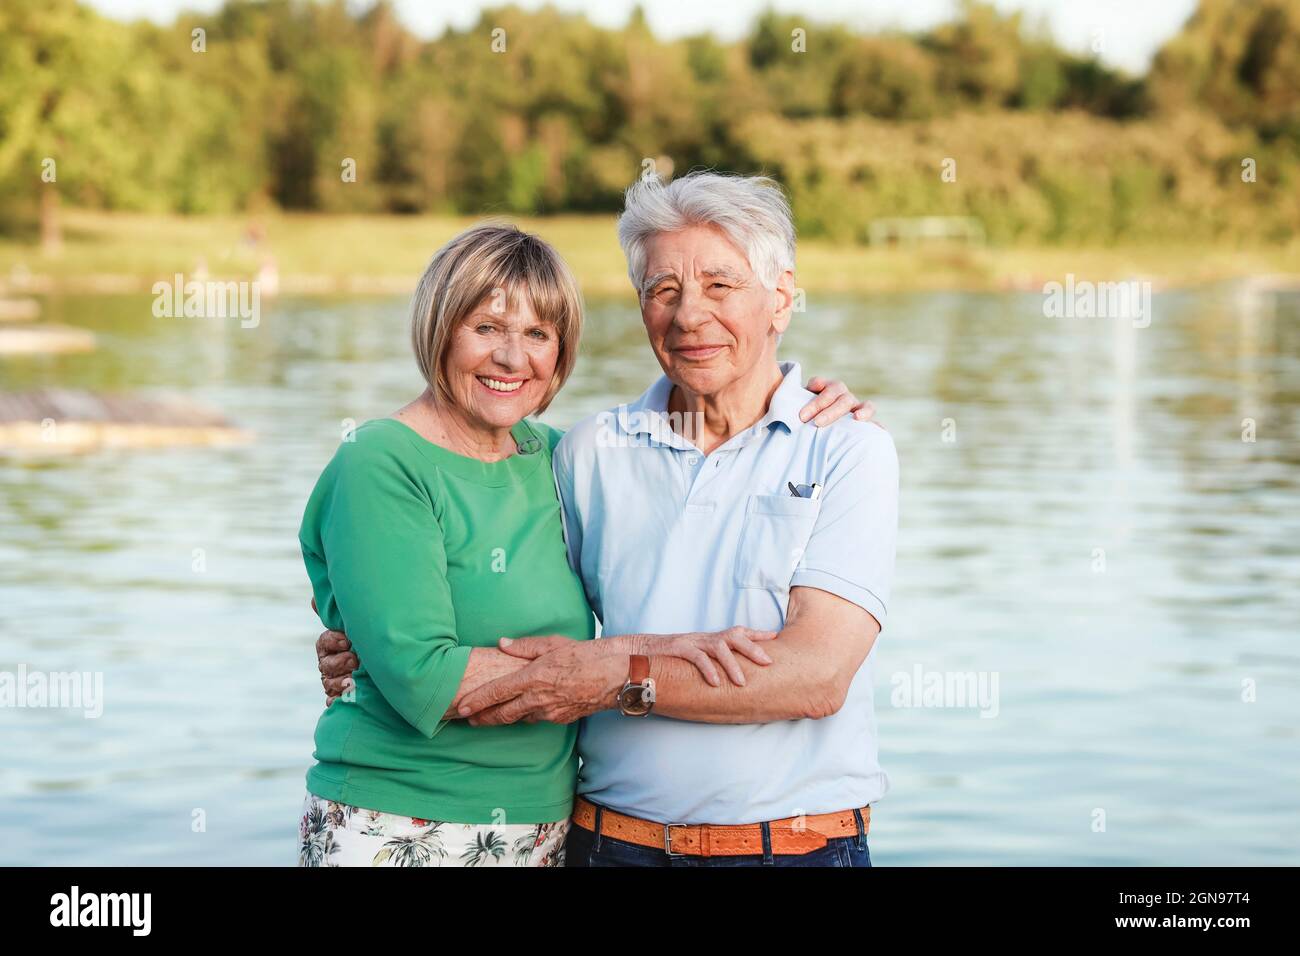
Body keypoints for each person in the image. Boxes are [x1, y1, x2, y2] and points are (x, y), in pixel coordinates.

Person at [299, 219, 872, 867]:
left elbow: (815, 675)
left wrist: (815, 420)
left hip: (550, 833)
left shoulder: (553, 456)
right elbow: (426, 676)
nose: (513, 359)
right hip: (403, 823)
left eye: (538, 334)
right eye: (486, 328)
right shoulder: (389, 460)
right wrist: (641, 658)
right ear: (438, 326)